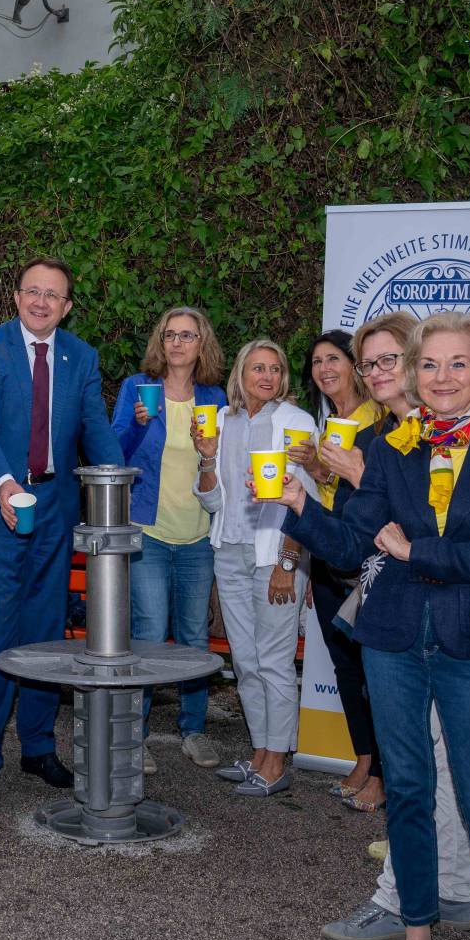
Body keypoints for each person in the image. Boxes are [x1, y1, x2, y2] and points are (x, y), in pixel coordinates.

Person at [274, 311, 470, 940]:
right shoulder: (394, 448)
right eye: (430, 365)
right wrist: (299, 504)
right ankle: (417, 930)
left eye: (458, 364)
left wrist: (417, 551)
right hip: (392, 639)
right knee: (411, 792)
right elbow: (352, 545)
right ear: (414, 376)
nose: (443, 377)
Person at [316, 313, 470, 940]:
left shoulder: (447, 436)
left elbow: (441, 535)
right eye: (371, 362)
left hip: (448, 625)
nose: (378, 372)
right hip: (402, 616)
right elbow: (360, 539)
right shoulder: (396, 434)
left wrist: (362, 479)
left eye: (390, 360)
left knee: (428, 766)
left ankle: (401, 902)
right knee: (435, 762)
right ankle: (446, 886)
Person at [0, 258, 123, 810]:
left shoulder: (82, 357)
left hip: (55, 508)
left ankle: (37, 745)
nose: (42, 302)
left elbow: (95, 427)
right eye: (34, 291)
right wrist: (4, 485)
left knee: (47, 636)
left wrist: (115, 488)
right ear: (17, 296)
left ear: (67, 306)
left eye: (54, 295)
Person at [189, 338, 313, 795]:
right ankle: (260, 751)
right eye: (257, 368)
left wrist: (287, 562)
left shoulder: (296, 422)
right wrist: (205, 456)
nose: (266, 376)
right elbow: (212, 500)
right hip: (231, 552)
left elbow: (307, 500)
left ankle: (277, 761)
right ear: (240, 374)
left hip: (276, 555)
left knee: (275, 660)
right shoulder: (221, 421)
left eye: (275, 369)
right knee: (245, 660)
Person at [111, 306, 227, 769]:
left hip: (199, 534)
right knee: (150, 632)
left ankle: (193, 729)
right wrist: (138, 424)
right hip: (150, 531)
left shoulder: (217, 397)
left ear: (203, 344)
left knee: (195, 637)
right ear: (161, 342)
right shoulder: (137, 390)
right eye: (170, 334)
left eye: (188, 335)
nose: (178, 343)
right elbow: (114, 451)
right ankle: (134, 735)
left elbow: (226, 464)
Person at [299, 330, 386, 811]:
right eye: (316, 362)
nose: (325, 368)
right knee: (345, 667)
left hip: (369, 560)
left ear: (357, 365)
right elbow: (329, 491)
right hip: (331, 553)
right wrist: (315, 468)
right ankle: (363, 757)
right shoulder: (328, 421)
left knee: (374, 669)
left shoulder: (382, 418)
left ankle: (381, 773)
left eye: (334, 358)